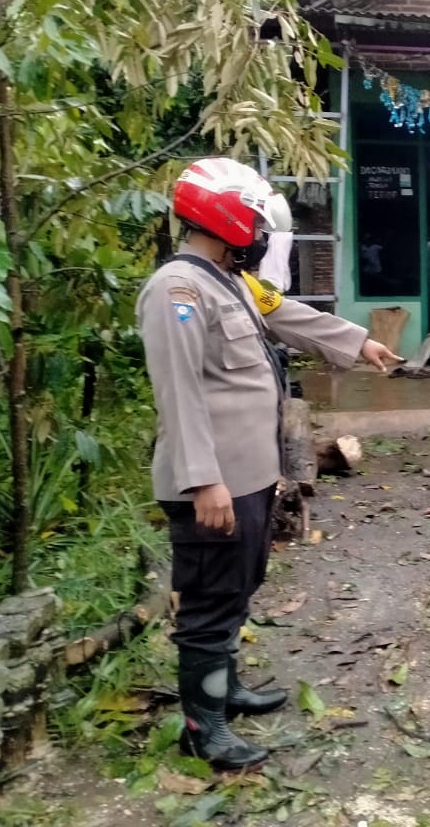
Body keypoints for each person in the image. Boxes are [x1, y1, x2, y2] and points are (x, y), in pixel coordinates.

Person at [137, 157, 401, 771]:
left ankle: (223, 692)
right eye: (254, 222)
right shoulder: (178, 290)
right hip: (213, 481)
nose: (259, 235)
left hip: (248, 476)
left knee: (238, 587)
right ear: (222, 216)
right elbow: (178, 393)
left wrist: (356, 341)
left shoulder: (227, 280)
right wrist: (203, 480)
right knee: (207, 601)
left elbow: (284, 312)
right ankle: (205, 730)